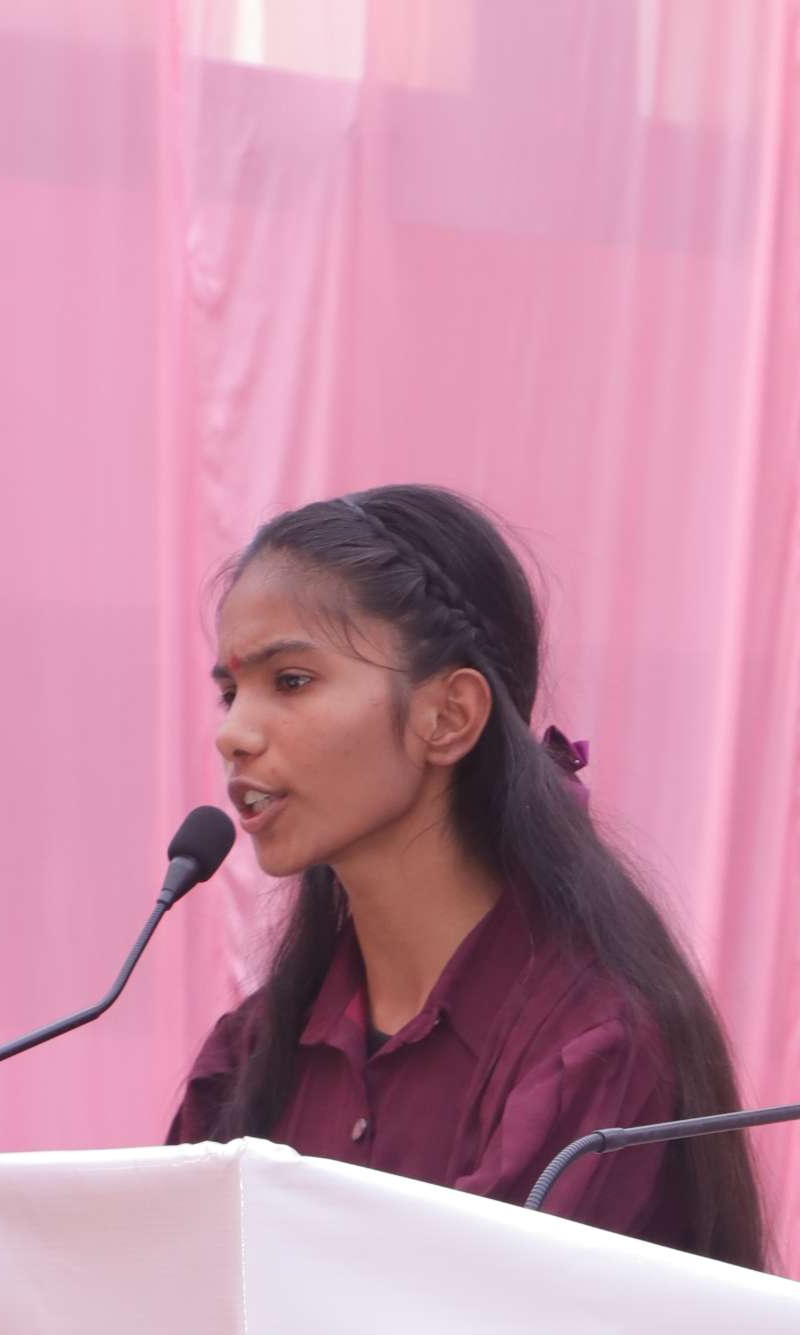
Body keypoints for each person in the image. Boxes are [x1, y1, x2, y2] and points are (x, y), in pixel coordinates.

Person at [167, 484, 761, 1265]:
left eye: (291, 682)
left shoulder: (593, 1049)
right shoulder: (253, 1053)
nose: (234, 734)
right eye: (229, 693)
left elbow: (471, 1327)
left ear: (448, 716)